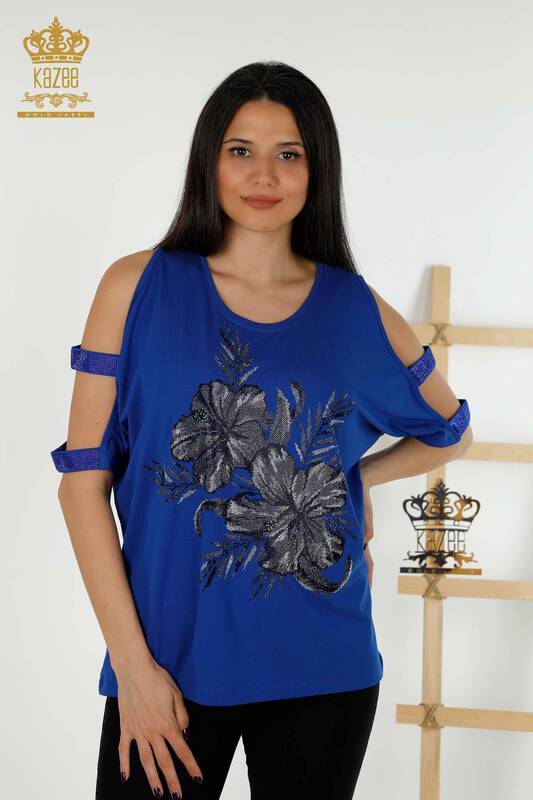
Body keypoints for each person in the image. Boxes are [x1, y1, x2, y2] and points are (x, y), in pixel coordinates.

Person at [51, 61, 472, 800]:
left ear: (316, 170)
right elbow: (82, 488)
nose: (263, 175)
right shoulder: (135, 287)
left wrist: (357, 478)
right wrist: (134, 670)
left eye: (289, 154)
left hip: (323, 669)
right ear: (208, 159)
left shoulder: (353, 308)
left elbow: (451, 431)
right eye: (240, 150)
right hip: (165, 667)